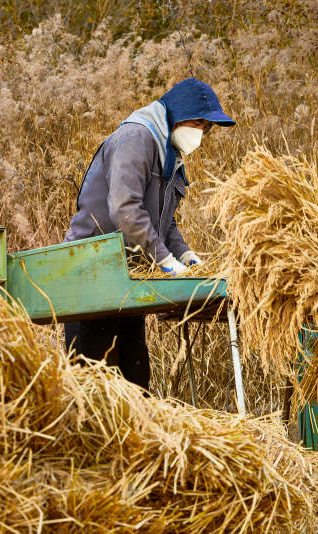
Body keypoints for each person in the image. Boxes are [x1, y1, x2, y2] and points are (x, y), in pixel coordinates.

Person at [63, 78, 235, 390]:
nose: (202, 133)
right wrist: (166, 261)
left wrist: (187, 258)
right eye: (200, 123)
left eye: (207, 128)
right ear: (178, 115)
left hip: (127, 279)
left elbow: (165, 224)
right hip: (91, 275)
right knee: (93, 386)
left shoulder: (171, 155)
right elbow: (125, 210)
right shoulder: (136, 138)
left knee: (136, 380)